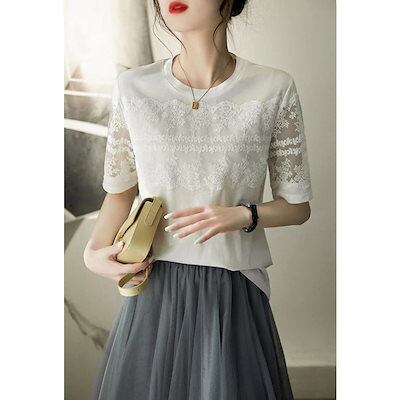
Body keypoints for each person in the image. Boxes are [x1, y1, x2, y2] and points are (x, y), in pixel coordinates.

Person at [84, 0, 313, 399]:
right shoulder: (133, 87)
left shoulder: (272, 88)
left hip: (233, 290)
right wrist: (93, 255)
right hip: (155, 290)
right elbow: (119, 194)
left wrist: (242, 215)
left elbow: (297, 207)